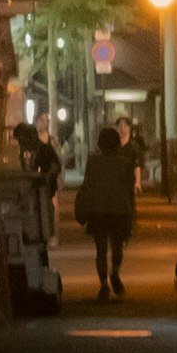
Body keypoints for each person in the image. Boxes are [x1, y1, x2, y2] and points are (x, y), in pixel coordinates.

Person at [74, 122, 137, 300]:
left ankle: (103, 285)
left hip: (98, 209)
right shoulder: (124, 163)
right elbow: (128, 189)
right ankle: (115, 272)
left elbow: (87, 185)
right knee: (117, 246)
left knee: (100, 249)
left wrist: (83, 208)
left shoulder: (93, 162)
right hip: (118, 209)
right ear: (117, 144)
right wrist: (131, 212)